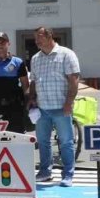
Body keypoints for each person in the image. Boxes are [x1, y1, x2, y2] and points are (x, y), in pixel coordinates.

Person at [29, 27, 81, 187]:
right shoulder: (35, 58)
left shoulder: (66, 54)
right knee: (43, 142)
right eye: (35, 37)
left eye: (39, 37)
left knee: (66, 142)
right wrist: (32, 99)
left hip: (61, 107)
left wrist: (69, 103)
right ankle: (45, 172)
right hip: (42, 108)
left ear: (50, 36)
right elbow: (34, 81)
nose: (36, 40)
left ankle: (68, 174)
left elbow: (74, 80)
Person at [0, 32, 29, 133]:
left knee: (16, 138)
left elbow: (26, 86)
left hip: (15, 108)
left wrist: (27, 104)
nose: (0, 45)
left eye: (3, 42)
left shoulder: (18, 62)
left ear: (8, 43)